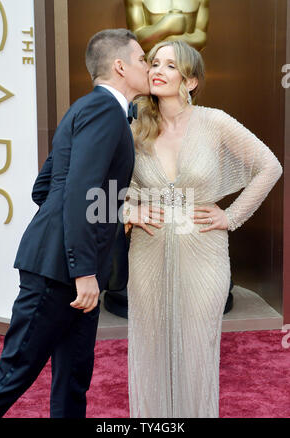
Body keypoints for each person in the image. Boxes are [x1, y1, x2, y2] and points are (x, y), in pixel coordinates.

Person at [0, 28, 149, 418]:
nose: (147, 66)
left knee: (74, 378)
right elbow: (79, 190)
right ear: (120, 66)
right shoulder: (104, 110)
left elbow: (44, 187)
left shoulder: (88, 107)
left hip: (74, 268)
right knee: (12, 373)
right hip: (63, 272)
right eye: (142, 59)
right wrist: (81, 268)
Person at [123, 40, 283, 418]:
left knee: (197, 349)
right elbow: (118, 188)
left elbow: (269, 166)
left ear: (191, 80)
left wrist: (233, 216)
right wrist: (130, 209)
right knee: (150, 347)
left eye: (170, 66)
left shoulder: (215, 122)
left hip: (205, 256)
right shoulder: (134, 129)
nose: (157, 70)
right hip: (147, 254)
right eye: (154, 63)